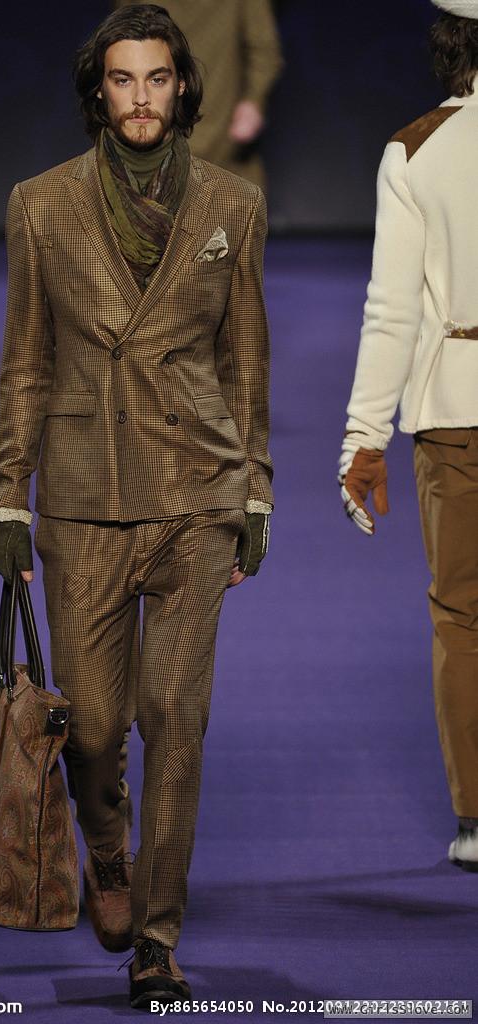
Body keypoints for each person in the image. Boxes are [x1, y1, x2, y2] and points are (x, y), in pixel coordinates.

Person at [0, 4, 272, 1008]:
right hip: (83, 495)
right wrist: (6, 496)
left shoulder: (233, 204)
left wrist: (254, 488)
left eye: (156, 78)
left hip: (195, 490)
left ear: (181, 86)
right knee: (96, 727)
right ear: (98, 91)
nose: (141, 97)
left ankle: (156, 937)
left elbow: (245, 361)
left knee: (173, 719)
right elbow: (25, 360)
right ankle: (105, 844)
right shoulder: (40, 205)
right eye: (122, 79)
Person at [339, 0, 478, 872]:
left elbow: (391, 312)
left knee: (463, 615)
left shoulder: (417, 149)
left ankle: (476, 818)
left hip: (457, 408)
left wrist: (364, 439)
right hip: (454, 410)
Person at [116, 0, 284, 191]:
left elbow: (264, 49)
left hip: (222, 139)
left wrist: (253, 102)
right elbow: (121, 45)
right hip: (157, 142)